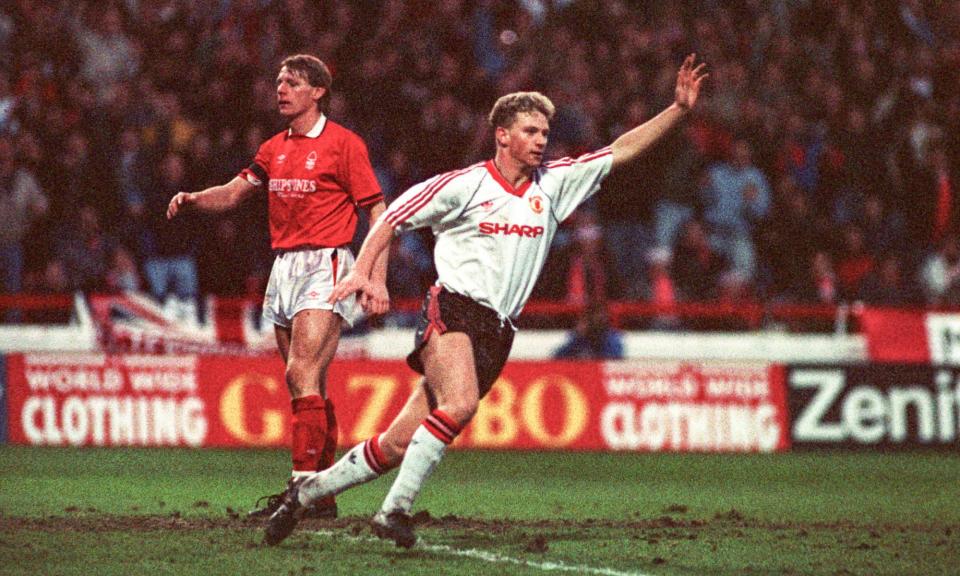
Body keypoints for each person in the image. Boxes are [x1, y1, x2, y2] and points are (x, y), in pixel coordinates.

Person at [264, 54, 708, 548]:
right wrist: (370, 277)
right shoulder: (464, 185)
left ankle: (304, 495)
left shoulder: (555, 185)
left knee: (394, 443)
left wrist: (677, 110)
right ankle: (394, 511)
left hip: (498, 330)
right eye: (531, 131)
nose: (542, 140)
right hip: (453, 308)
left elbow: (621, 150)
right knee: (461, 403)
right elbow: (390, 219)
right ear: (502, 135)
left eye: (545, 132)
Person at [166, 54, 387, 519]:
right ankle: (322, 495)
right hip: (284, 267)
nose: (281, 89)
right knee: (308, 386)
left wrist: (372, 274)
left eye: (292, 82)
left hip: (326, 262)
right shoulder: (273, 148)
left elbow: (378, 211)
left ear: (318, 91)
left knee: (300, 374)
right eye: (279, 81)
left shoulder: (344, 144)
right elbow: (232, 192)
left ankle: (301, 488)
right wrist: (193, 198)